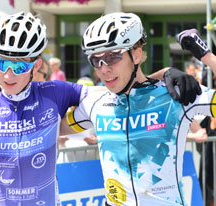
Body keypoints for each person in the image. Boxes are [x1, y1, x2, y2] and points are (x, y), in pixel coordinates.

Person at [0, 12, 200, 206]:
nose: (8, 75)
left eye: (19, 65)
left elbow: (118, 87)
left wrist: (162, 74)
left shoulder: (56, 93)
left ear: (35, 64)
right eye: (1, 63)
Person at [59, 15, 216, 205]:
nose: (103, 69)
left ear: (137, 55)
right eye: (95, 60)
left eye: (112, 57)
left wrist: (207, 57)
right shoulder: (95, 103)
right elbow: (51, 129)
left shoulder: (174, 95)